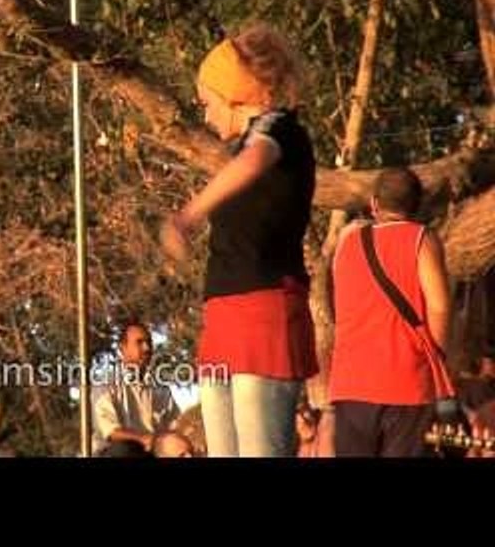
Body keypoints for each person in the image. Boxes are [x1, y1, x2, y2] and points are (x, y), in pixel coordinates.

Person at [160, 22, 317, 457]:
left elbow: (256, 159)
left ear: (232, 93)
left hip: (263, 312)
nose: (204, 113)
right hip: (225, 315)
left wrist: (187, 216)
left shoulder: (278, 127)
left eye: (206, 100)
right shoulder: (244, 144)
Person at [329, 167, 455, 457]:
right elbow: (439, 306)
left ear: (375, 204)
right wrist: (437, 357)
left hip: (351, 382)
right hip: (406, 381)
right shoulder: (422, 239)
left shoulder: (347, 243)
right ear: (417, 205)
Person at [92, 321, 193, 457]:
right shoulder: (105, 384)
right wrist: (144, 439)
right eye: (139, 342)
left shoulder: (160, 388)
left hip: (153, 451)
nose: (146, 348)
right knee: (124, 449)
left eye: (149, 343)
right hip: (117, 452)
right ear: (123, 348)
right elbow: (110, 432)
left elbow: (175, 425)